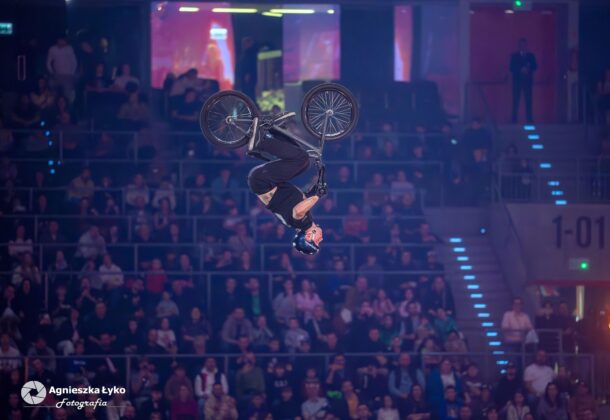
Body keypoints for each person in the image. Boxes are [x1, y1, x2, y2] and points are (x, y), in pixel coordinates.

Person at [247, 128, 324, 254]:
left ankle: (260, 142)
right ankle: (275, 130)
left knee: (301, 159)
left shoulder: (303, 223)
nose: (321, 239)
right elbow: (302, 198)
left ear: (309, 236)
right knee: (303, 162)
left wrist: (317, 196)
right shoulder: (304, 222)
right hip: (266, 182)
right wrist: (317, 185)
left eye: (317, 241)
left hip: (263, 181)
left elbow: (298, 211)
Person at [510, 38, 537, 123]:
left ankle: (529, 119)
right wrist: (520, 69)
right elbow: (511, 68)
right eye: (521, 44)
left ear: (526, 45)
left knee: (528, 100)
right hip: (517, 81)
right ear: (519, 45)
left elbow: (535, 66)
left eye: (524, 44)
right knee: (515, 100)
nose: (523, 46)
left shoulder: (530, 56)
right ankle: (514, 119)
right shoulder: (514, 56)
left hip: (528, 82)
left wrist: (528, 68)